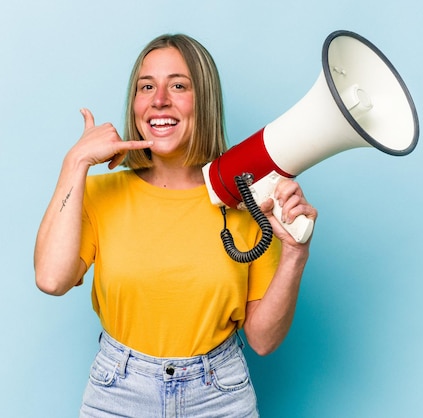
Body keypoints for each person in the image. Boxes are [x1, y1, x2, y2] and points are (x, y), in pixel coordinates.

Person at [34, 33, 318, 417]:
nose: (159, 100)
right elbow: (51, 279)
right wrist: (75, 164)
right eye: (146, 86)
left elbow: (264, 341)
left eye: (178, 86)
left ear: (205, 101)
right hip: (119, 391)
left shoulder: (247, 199)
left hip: (219, 393)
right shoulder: (100, 195)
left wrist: (295, 254)